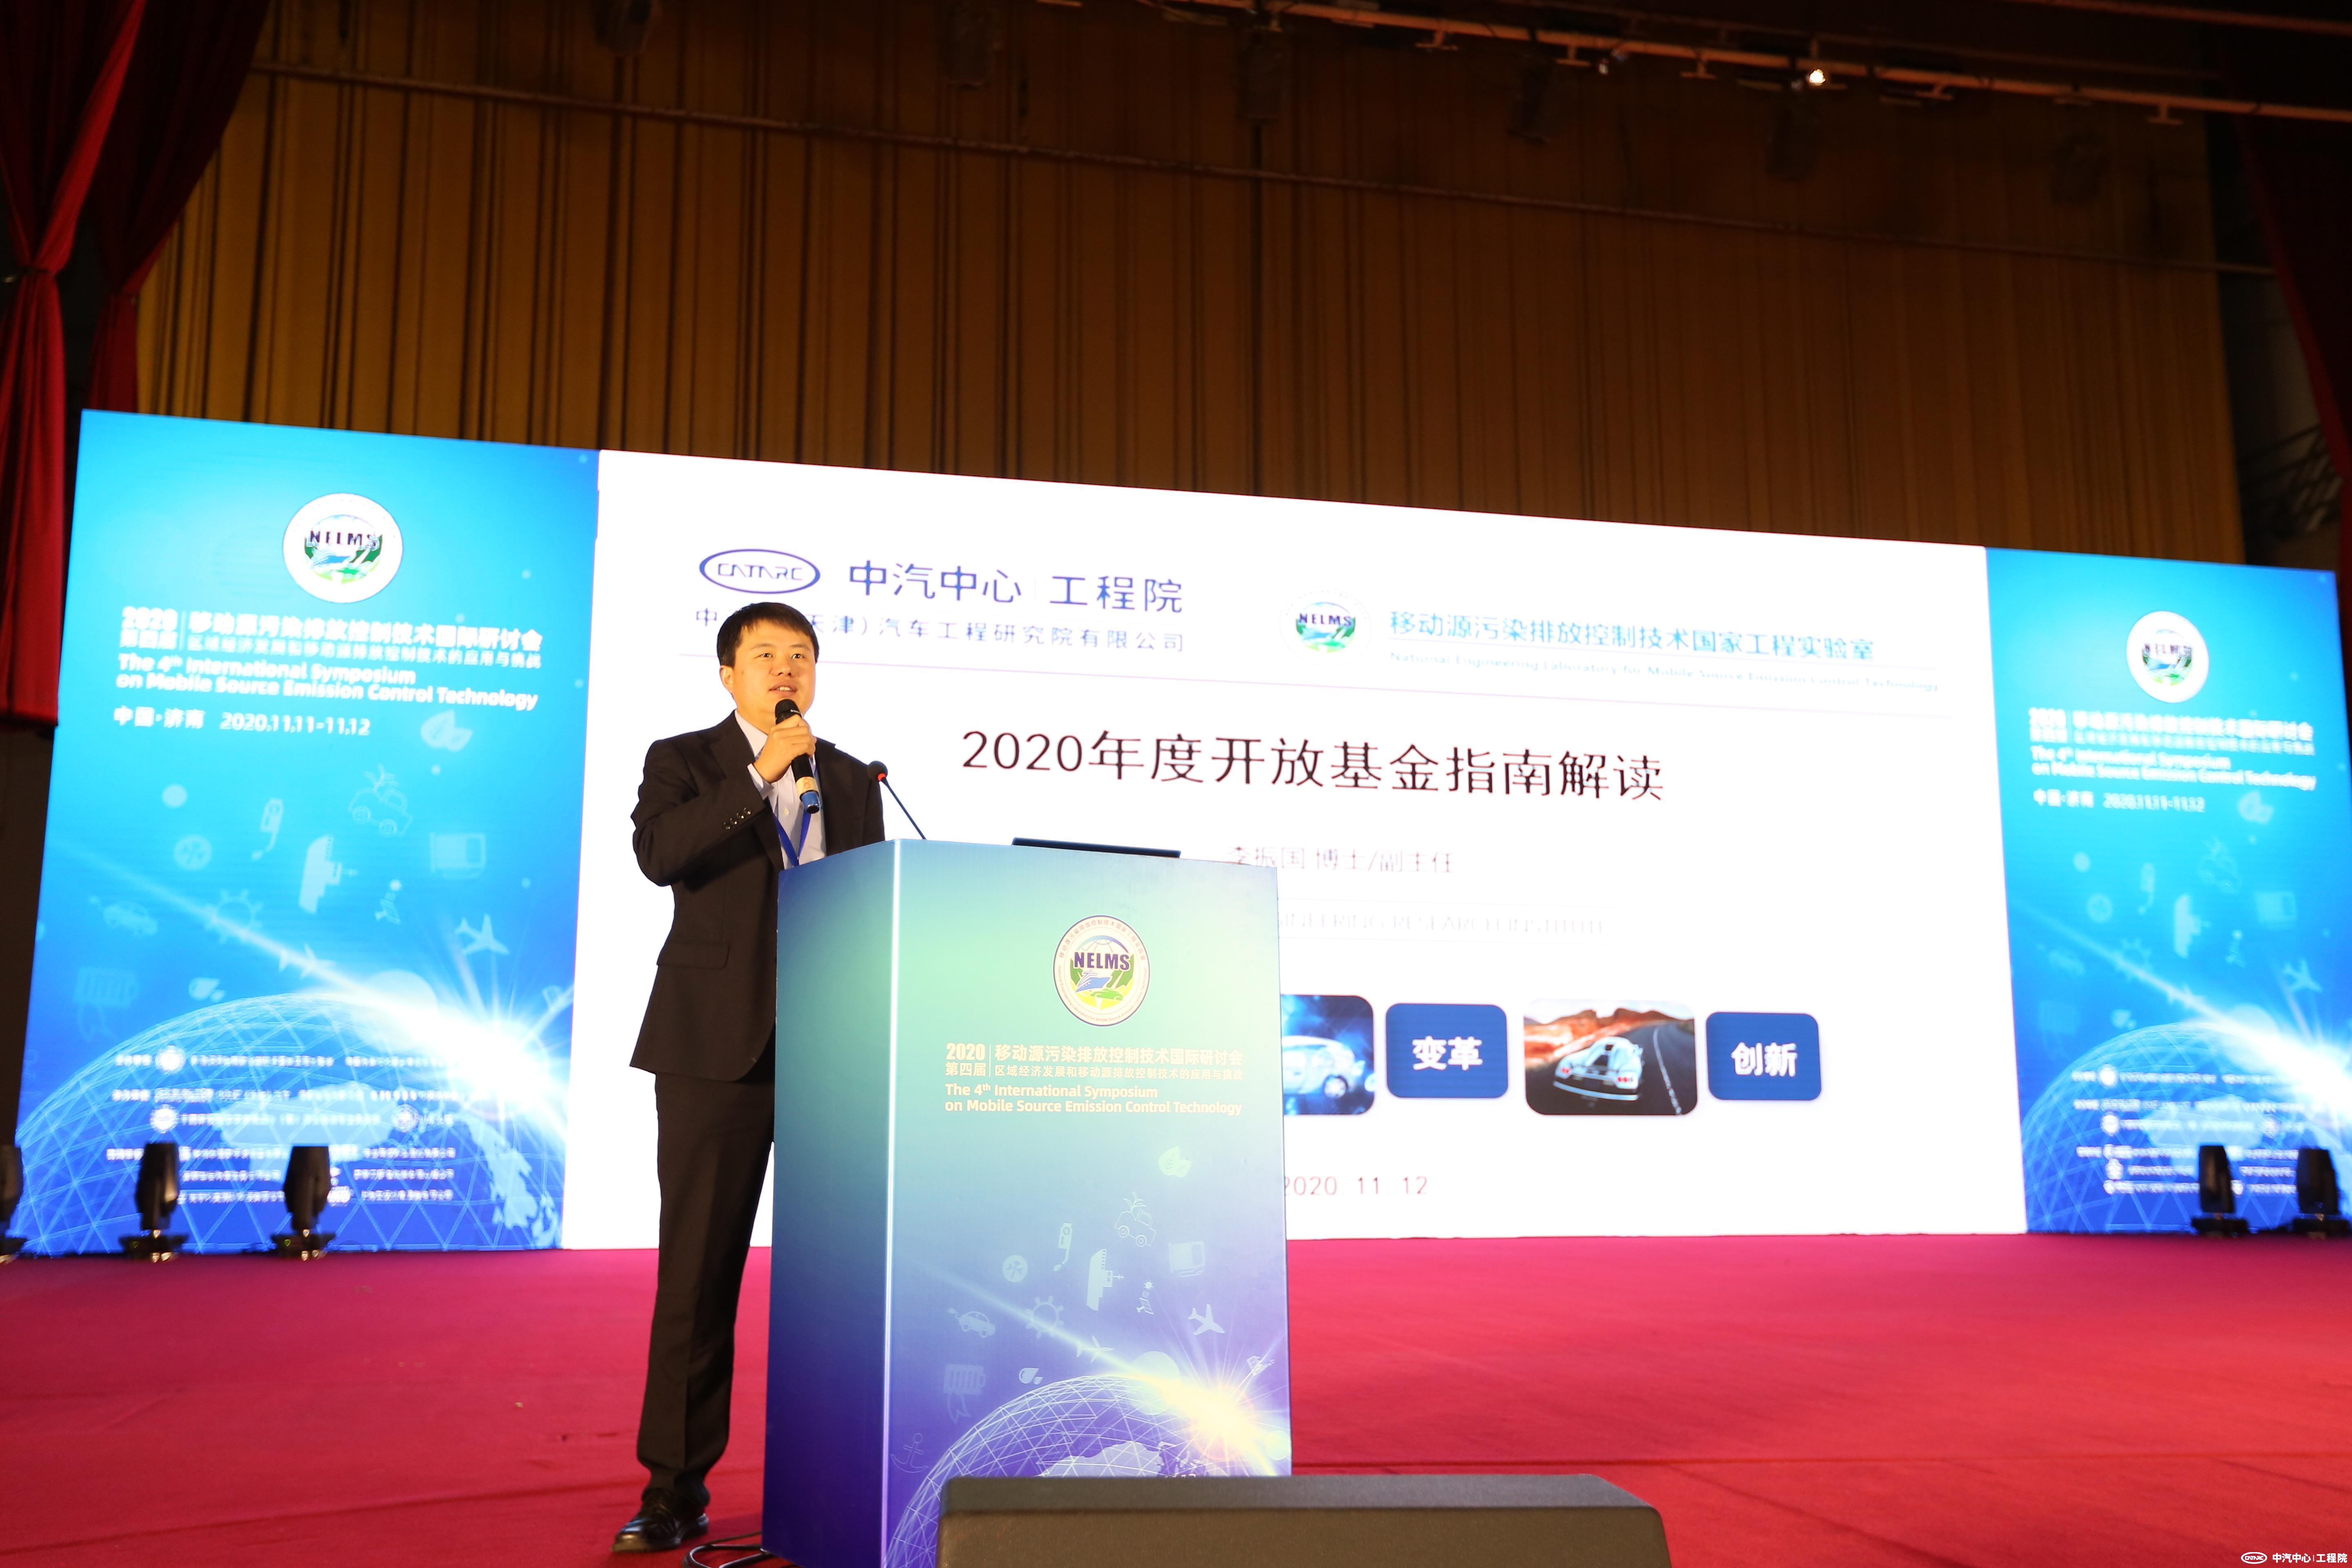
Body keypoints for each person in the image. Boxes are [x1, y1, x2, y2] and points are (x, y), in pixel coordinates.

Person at [612, 601, 886, 1554]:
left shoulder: (849, 777)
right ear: (728, 673)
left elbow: (869, 904)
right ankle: (674, 1490)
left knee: (844, 1285)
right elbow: (660, 857)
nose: (786, 670)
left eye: (801, 655)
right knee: (697, 1276)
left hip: (832, 1055)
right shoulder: (684, 761)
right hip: (713, 1054)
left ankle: (842, 1476)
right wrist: (758, 774)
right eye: (766, 654)